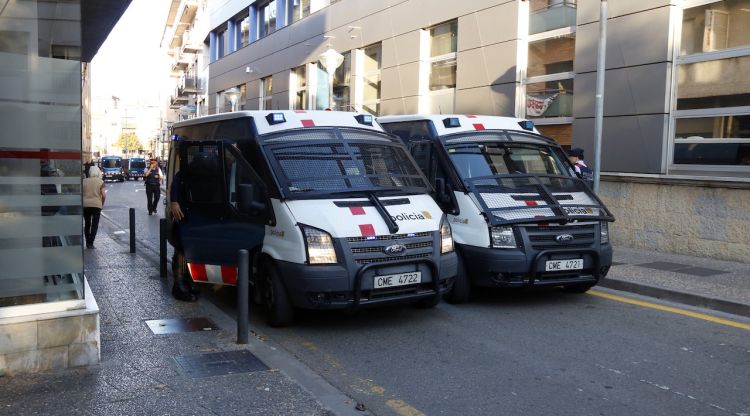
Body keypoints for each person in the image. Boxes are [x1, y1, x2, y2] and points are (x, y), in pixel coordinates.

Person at [83, 166, 106, 249]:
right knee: (94, 224)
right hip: (96, 205)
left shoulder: (84, 181)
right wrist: (102, 204)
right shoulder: (101, 182)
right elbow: (103, 195)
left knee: (87, 223)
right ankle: (91, 242)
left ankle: (87, 241)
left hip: (85, 205)